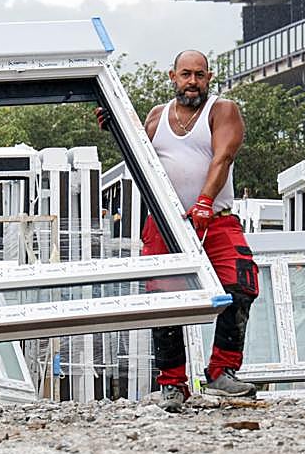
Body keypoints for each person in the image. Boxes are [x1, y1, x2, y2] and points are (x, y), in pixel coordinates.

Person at [101, 50, 259, 412]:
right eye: (186, 74)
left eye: (199, 75)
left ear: (209, 78)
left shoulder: (222, 110)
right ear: (173, 76)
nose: (192, 82)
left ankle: (221, 372)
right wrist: (115, 128)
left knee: (241, 283)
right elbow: (139, 159)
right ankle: (173, 383)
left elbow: (223, 157)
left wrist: (204, 201)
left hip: (214, 216)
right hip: (165, 222)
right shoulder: (157, 116)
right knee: (165, 299)